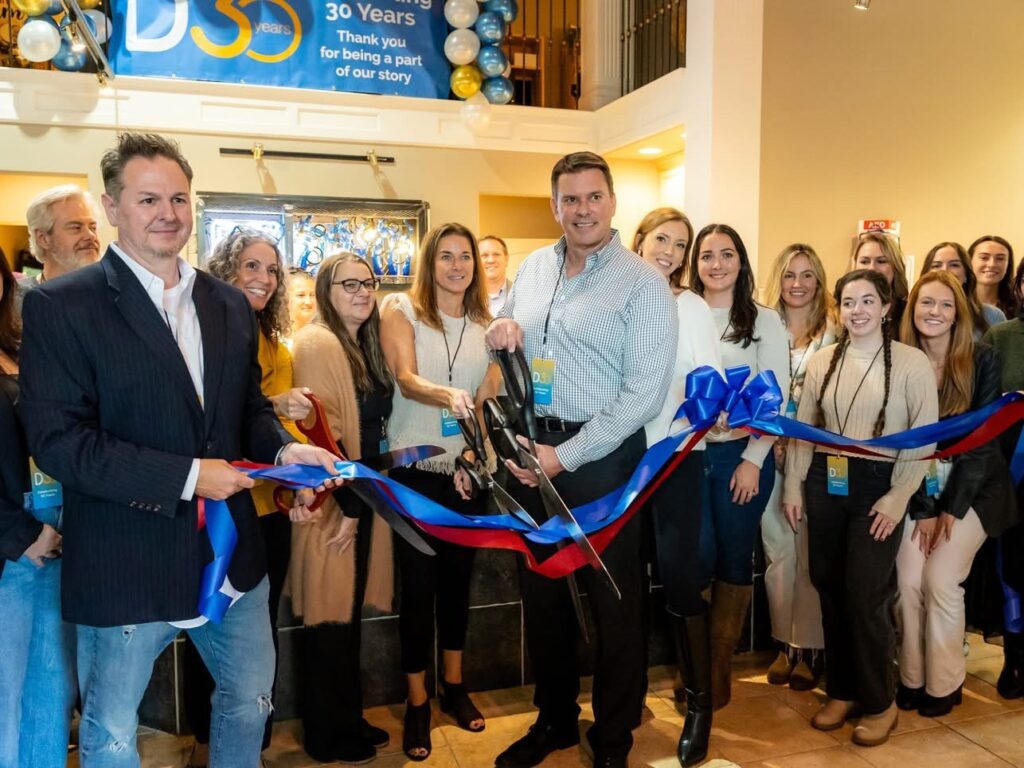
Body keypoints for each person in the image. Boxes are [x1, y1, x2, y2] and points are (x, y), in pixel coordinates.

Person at [17, 132, 340, 768]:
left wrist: (283, 454)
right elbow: (60, 443)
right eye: (148, 199)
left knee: (250, 699)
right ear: (112, 206)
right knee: (111, 730)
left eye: (179, 198)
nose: (168, 213)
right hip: (125, 559)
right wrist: (191, 476)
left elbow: (246, 410)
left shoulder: (227, 304)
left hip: (233, 566)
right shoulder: (61, 306)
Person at [486, 151, 677, 768]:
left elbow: (643, 395)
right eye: (570, 199)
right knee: (543, 596)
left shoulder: (642, 283)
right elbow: (511, 319)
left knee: (612, 602)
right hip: (531, 447)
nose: (582, 209)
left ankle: (613, 737)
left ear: (613, 202)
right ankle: (555, 721)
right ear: (555, 206)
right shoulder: (536, 267)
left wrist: (563, 456)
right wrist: (504, 323)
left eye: (593, 197)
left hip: (602, 458)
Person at [783, 269, 938, 747]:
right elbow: (804, 429)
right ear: (839, 308)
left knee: (865, 594)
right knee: (829, 586)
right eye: (849, 302)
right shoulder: (823, 361)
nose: (858, 311)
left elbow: (923, 437)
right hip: (824, 483)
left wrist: (898, 495)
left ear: (887, 307)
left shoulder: (912, 364)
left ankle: (879, 700)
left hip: (880, 486)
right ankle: (843, 690)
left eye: (868, 301)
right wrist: (792, 485)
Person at [182, 228, 314, 767]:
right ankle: (206, 742)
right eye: (251, 266)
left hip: (266, 513)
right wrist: (276, 406)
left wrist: (302, 483)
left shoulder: (276, 344)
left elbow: (271, 429)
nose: (263, 279)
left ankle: (250, 748)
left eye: (272, 270)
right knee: (204, 631)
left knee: (258, 639)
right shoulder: (199, 331)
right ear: (225, 270)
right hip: (212, 511)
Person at [380, 222, 492, 762]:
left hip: (469, 470)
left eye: (464, 257)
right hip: (414, 469)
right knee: (418, 588)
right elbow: (404, 377)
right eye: (445, 256)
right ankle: (418, 700)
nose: (455, 266)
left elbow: (489, 401)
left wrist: (475, 452)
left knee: (457, 586)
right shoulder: (400, 309)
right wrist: (449, 394)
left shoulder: (485, 323)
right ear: (430, 263)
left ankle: (453, 684)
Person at [288, 252, 395, 763]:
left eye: (367, 283)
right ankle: (325, 733)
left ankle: (347, 717)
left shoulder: (360, 345)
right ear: (326, 289)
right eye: (347, 283)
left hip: (363, 495)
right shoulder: (317, 342)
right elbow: (324, 438)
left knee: (346, 620)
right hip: (332, 502)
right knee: (327, 621)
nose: (361, 291)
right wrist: (350, 510)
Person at [895, 270, 1017, 717]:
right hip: (913, 485)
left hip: (976, 489)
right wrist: (925, 507)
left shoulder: (982, 359)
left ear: (958, 313)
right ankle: (911, 677)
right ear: (913, 309)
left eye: (946, 305)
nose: (936, 312)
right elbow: (907, 440)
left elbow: (983, 442)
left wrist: (950, 507)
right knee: (908, 580)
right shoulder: (899, 360)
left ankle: (944, 685)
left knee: (941, 579)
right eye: (927, 303)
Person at [633, 207, 720, 766]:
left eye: (679, 244)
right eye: (661, 238)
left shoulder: (692, 308)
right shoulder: (615, 301)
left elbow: (708, 387)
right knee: (623, 578)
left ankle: (701, 702)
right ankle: (626, 691)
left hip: (679, 460)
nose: (669, 250)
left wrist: (677, 433)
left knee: (681, 577)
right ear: (638, 241)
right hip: (617, 461)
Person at [690, 224, 789, 710]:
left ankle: (717, 671)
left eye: (727, 254)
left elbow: (776, 396)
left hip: (741, 457)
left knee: (732, 558)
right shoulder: (680, 312)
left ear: (741, 262)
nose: (717, 264)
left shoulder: (765, 320)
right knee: (697, 555)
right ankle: (695, 669)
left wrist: (753, 459)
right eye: (706, 255)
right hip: (689, 456)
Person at [0, 253, 76, 768]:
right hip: (12, 548)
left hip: (49, 533)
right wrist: (21, 533)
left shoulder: (15, 347)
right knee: (5, 704)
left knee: (49, 695)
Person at [759, 244, 835, 691]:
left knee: (808, 550)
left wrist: (798, 440)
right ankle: (783, 643)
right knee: (777, 551)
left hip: (813, 456)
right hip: (768, 452)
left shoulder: (836, 333)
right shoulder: (765, 328)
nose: (798, 284)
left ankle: (810, 646)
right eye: (790, 275)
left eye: (808, 275)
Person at [981, 309, 1024, 699]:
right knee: (1012, 565)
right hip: (1013, 471)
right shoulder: (1001, 336)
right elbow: (986, 404)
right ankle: (1015, 662)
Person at [20, 184, 101, 291]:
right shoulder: (12, 299)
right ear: (43, 239)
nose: (90, 235)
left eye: (92, 227)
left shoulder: (118, 294)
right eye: (76, 227)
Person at [921, 241, 1005, 338]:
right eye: (936, 265)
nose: (944, 270)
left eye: (954, 265)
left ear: (966, 275)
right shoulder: (912, 313)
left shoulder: (992, 316)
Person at [850, 232, 910, 329]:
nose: (871, 268)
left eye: (881, 261)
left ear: (895, 267)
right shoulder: (841, 310)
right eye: (864, 261)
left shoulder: (909, 313)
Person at [970, 235, 1017, 320]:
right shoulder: (955, 302)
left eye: (1000, 259)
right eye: (984, 258)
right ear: (969, 261)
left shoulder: (1018, 306)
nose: (992, 264)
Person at [479, 235, 512, 315]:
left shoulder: (521, 295)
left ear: (506, 259)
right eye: (484, 255)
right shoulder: (464, 298)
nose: (491, 260)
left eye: (496, 254)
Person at [287, 266, 317, 335]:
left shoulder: (325, 336)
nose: (308, 302)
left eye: (312, 295)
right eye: (301, 295)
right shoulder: (274, 339)